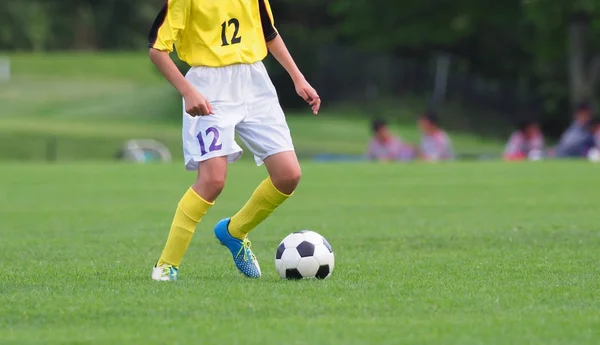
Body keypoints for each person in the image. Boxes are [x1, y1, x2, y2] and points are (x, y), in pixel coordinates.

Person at [148, 0, 320, 281]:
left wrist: (298, 79)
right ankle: (166, 265)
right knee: (213, 181)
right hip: (208, 87)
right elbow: (157, 50)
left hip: (254, 82)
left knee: (289, 175)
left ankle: (234, 231)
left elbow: (269, 33)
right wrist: (187, 91)